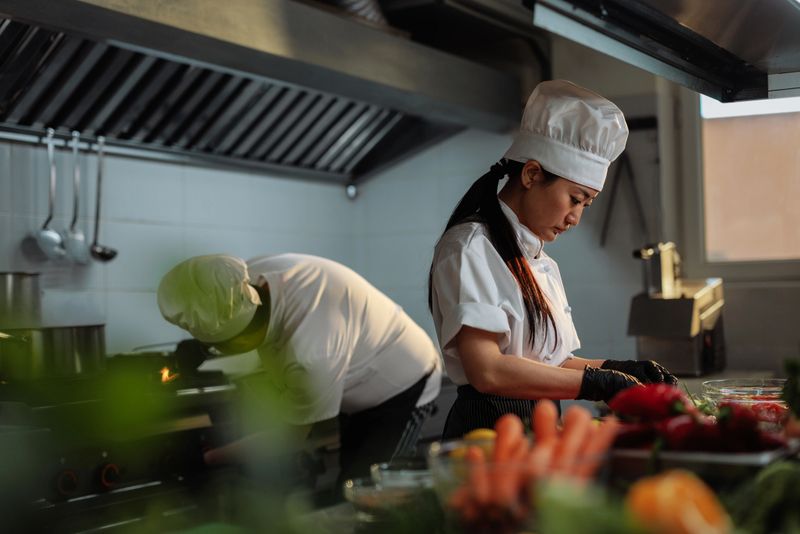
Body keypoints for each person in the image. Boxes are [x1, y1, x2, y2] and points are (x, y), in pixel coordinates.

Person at [428, 79, 677, 439]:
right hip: (489, 435)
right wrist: (598, 384)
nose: (576, 218)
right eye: (575, 199)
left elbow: (551, 363)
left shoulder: (539, 262)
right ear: (531, 174)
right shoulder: (470, 247)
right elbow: (488, 371)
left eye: (586, 205)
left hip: (539, 427)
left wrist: (620, 370)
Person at [157, 253, 442, 487]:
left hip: (405, 385)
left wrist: (210, 458)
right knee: (350, 484)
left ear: (242, 338)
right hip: (357, 376)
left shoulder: (311, 353)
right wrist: (204, 346)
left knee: (372, 490)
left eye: (223, 346)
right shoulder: (245, 278)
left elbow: (287, 437)